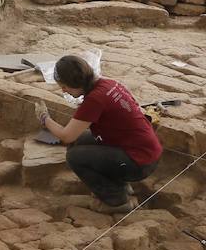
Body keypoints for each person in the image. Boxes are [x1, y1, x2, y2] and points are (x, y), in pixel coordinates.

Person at [37, 55, 163, 213]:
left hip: (139, 162)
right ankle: (119, 186)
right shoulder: (108, 84)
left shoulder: (95, 100)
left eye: (64, 86)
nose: (63, 90)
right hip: (145, 150)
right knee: (79, 142)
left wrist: (45, 119)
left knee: (75, 157)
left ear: (75, 83)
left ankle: (117, 201)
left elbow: (66, 135)